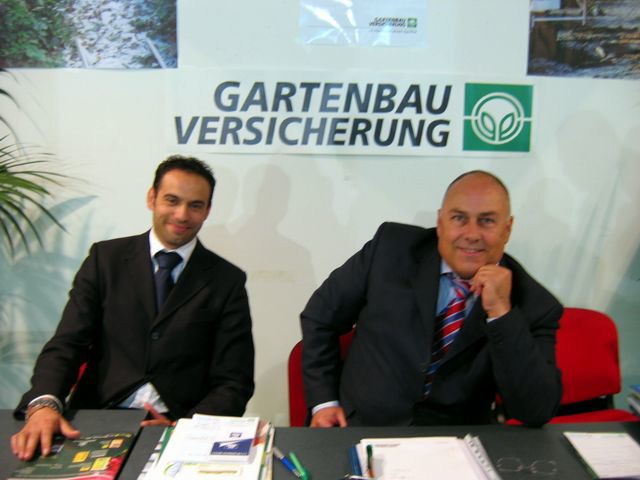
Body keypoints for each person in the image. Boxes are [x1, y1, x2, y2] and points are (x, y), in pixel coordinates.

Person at [11, 155, 255, 460]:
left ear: (207, 211)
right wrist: (44, 405)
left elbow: (234, 381)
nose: (182, 214)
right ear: (152, 198)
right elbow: (67, 344)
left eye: (195, 205)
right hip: (97, 418)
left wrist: (189, 428)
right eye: (172, 200)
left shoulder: (226, 280)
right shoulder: (105, 260)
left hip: (178, 425)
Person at [301, 170, 562, 427]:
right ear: (440, 222)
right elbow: (321, 317)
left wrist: (501, 314)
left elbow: (535, 410)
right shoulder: (390, 249)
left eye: (487, 221)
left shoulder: (534, 303)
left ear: (507, 229)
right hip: (360, 427)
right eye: (459, 218)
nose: (472, 234)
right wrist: (325, 403)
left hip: (455, 442)